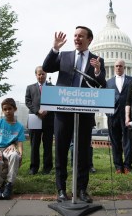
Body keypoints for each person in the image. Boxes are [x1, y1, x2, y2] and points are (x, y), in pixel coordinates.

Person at [42, 26, 106, 203]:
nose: (77, 39)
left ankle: (81, 190)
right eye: (75, 36)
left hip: (85, 113)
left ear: (89, 39)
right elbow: (47, 67)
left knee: (83, 152)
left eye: (81, 36)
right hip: (63, 112)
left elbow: (101, 84)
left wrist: (98, 71)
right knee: (61, 150)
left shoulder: (97, 59)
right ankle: (61, 189)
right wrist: (55, 48)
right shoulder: (64, 56)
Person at [0, 98, 25, 200]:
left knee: (14, 155)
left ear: (15, 109)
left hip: (8, 149)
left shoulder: (19, 126)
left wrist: (21, 154)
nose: (7, 111)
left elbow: (20, 142)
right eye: (5, 109)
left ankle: (9, 184)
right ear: (2, 110)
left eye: (10, 108)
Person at [25, 66, 54, 175]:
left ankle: (47, 168)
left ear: (46, 74)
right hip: (34, 118)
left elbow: (55, 102)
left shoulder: (52, 87)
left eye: (43, 74)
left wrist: (47, 111)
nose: (41, 76)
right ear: (36, 75)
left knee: (48, 145)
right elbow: (28, 102)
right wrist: (38, 111)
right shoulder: (30, 88)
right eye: (39, 74)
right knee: (34, 145)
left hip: (49, 120)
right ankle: (34, 168)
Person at [106, 59, 132, 174]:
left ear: (124, 67)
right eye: (116, 66)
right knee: (115, 141)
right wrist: (108, 113)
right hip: (113, 115)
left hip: (127, 115)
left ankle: (127, 165)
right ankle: (118, 166)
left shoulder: (131, 81)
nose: (118, 68)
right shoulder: (109, 82)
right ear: (114, 67)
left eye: (120, 66)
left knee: (128, 141)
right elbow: (105, 98)